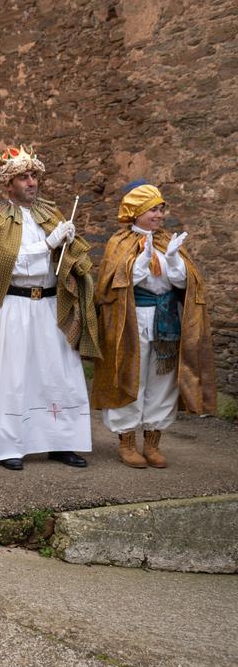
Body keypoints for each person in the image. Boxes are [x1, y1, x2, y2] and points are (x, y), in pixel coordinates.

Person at [0, 146, 100, 470]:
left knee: (56, 373)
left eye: (34, 175)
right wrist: (48, 244)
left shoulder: (52, 213)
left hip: (49, 304)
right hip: (15, 305)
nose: (32, 182)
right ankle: (9, 445)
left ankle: (62, 442)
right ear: (9, 184)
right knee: (14, 376)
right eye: (24, 177)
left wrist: (70, 244)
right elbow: (5, 261)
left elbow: (67, 258)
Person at [92, 181, 216, 468]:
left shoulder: (165, 240)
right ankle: (127, 442)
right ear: (135, 212)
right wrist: (139, 261)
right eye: (153, 210)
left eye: (161, 209)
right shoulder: (119, 243)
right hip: (132, 320)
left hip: (166, 319)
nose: (159, 215)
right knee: (131, 377)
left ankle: (152, 443)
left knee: (162, 382)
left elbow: (186, 284)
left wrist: (173, 260)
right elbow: (110, 287)